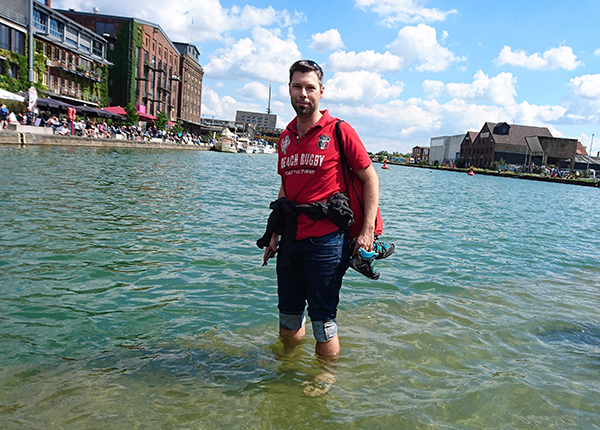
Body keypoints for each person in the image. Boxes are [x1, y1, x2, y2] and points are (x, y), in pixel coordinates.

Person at [261, 60, 387, 358]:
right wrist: (274, 233)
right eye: (296, 86)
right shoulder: (285, 138)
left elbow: (371, 179)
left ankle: (325, 378)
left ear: (321, 91)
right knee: (288, 320)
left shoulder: (340, 131)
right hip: (291, 239)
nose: (302, 93)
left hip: (327, 241)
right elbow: (286, 189)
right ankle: (288, 372)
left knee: (323, 321)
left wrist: (367, 231)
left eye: (309, 87)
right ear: (289, 90)